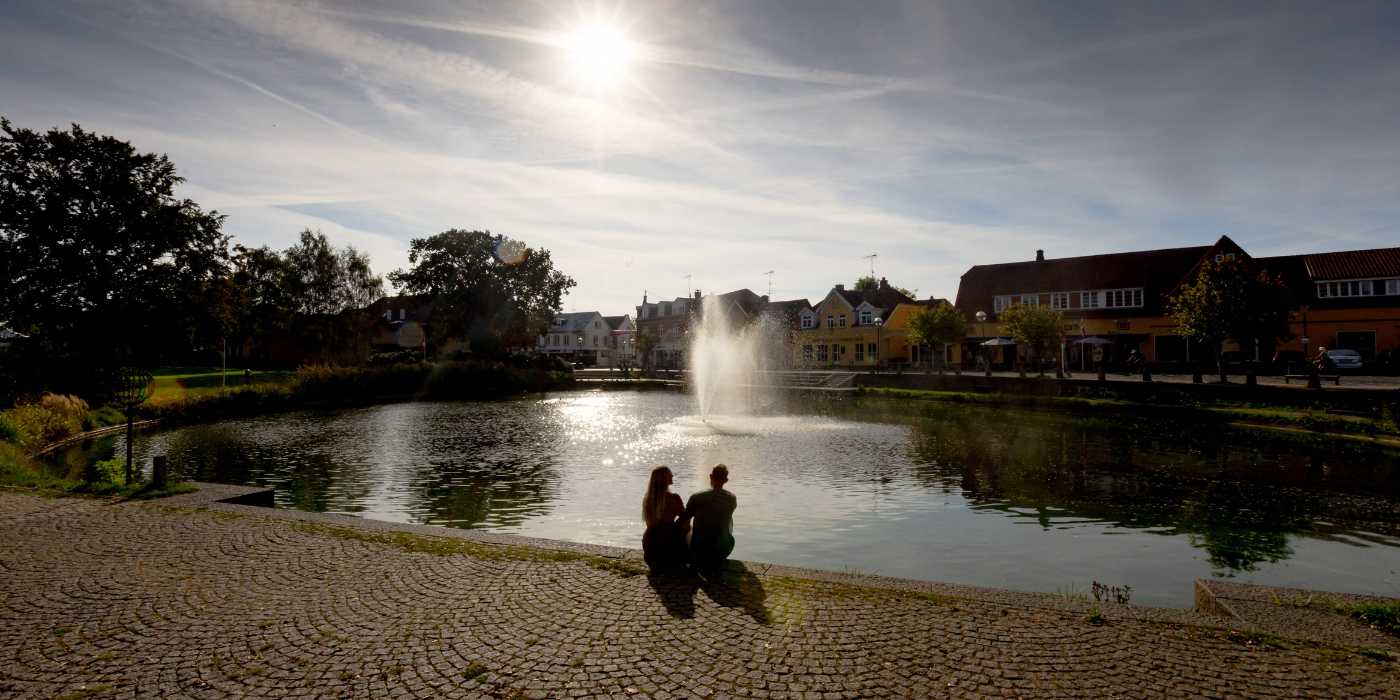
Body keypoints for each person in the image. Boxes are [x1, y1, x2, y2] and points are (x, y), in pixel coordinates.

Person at [682, 464, 737, 575]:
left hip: (699, 551)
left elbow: (683, 520)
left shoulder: (696, 497)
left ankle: (687, 557)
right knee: (728, 520)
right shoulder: (732, 498)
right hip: (723, 550)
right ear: (726, 480)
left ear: (710, 476)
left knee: (688, 527)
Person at [641, 466, 688, 573]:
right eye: (670, 474)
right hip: (671, 554)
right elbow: (685, 520)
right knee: (686, 525)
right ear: (664, 478)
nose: (672, 475)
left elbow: (649, 524)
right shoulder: (674, 498)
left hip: (650, 554)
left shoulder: (648, 499)